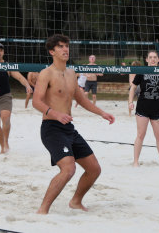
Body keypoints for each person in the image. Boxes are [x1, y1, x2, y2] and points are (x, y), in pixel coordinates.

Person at [32, 34, 115, 214]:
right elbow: (36, 101)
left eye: (66, 46)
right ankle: (42, 210)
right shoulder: (46, 73)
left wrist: (102, 112)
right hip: (52, 128)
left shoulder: (71, 73)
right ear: (52, 51)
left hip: (68, 128)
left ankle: (75, 201)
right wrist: (55, 114)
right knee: (69, 169)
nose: (65, 49)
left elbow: (81, 99)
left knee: (94, 169)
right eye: (61, 47)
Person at [128, 51, 159, 167]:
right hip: (142, 107)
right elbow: (133, 88)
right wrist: (130, 102)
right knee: (140, 135)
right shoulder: (142, 71)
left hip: (156, 108)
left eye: (155, 57)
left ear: (158, 59)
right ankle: (136, 162)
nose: (152, 59)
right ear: (147, 60)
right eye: (150, 57)